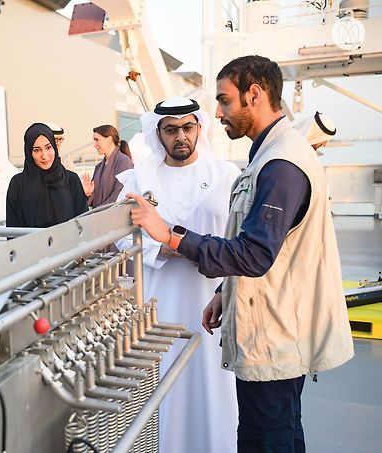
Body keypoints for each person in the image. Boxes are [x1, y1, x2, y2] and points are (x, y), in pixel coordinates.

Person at [127, 55, 354, 453]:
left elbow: (254, 253)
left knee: (266, 440)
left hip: (276, 334)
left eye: (224, 101)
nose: (218, 113)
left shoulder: (282, 164)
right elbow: (267, 246)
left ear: (254, 95)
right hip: (269, 323)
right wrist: (224, 294)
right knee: (279, 433)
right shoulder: (268, 155)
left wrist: (169, 234)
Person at [115, 97, 240, 453]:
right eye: (171, 130)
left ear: (200, 127)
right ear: (159, 133)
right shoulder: (140, 179)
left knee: (215, 391)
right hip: (159, 307)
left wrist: (175, 241)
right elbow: (122, 236)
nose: (180, 136)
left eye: (188, 127)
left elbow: (239, 240)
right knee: (164, 390)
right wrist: (171, 248)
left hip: (212, 304)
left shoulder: (226, 175)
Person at [6, 123, 87, 227]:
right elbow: (13, 227)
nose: (44, 155)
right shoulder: (18, 184)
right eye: (36, 150)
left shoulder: (71, 180)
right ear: (29, 152)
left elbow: (83, 223)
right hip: (31, 243)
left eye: (48, 147)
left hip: (69, 243)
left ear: (54, 147)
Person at [81, 125, 133, 208]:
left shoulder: (124, 162)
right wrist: (89, 193)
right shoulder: (98, 167)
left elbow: (119, 196)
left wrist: (98, 212)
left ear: (109, 139)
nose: (94, 144)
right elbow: (93, 200)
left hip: (113, 217)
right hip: (99, 216)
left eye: (97, 140)